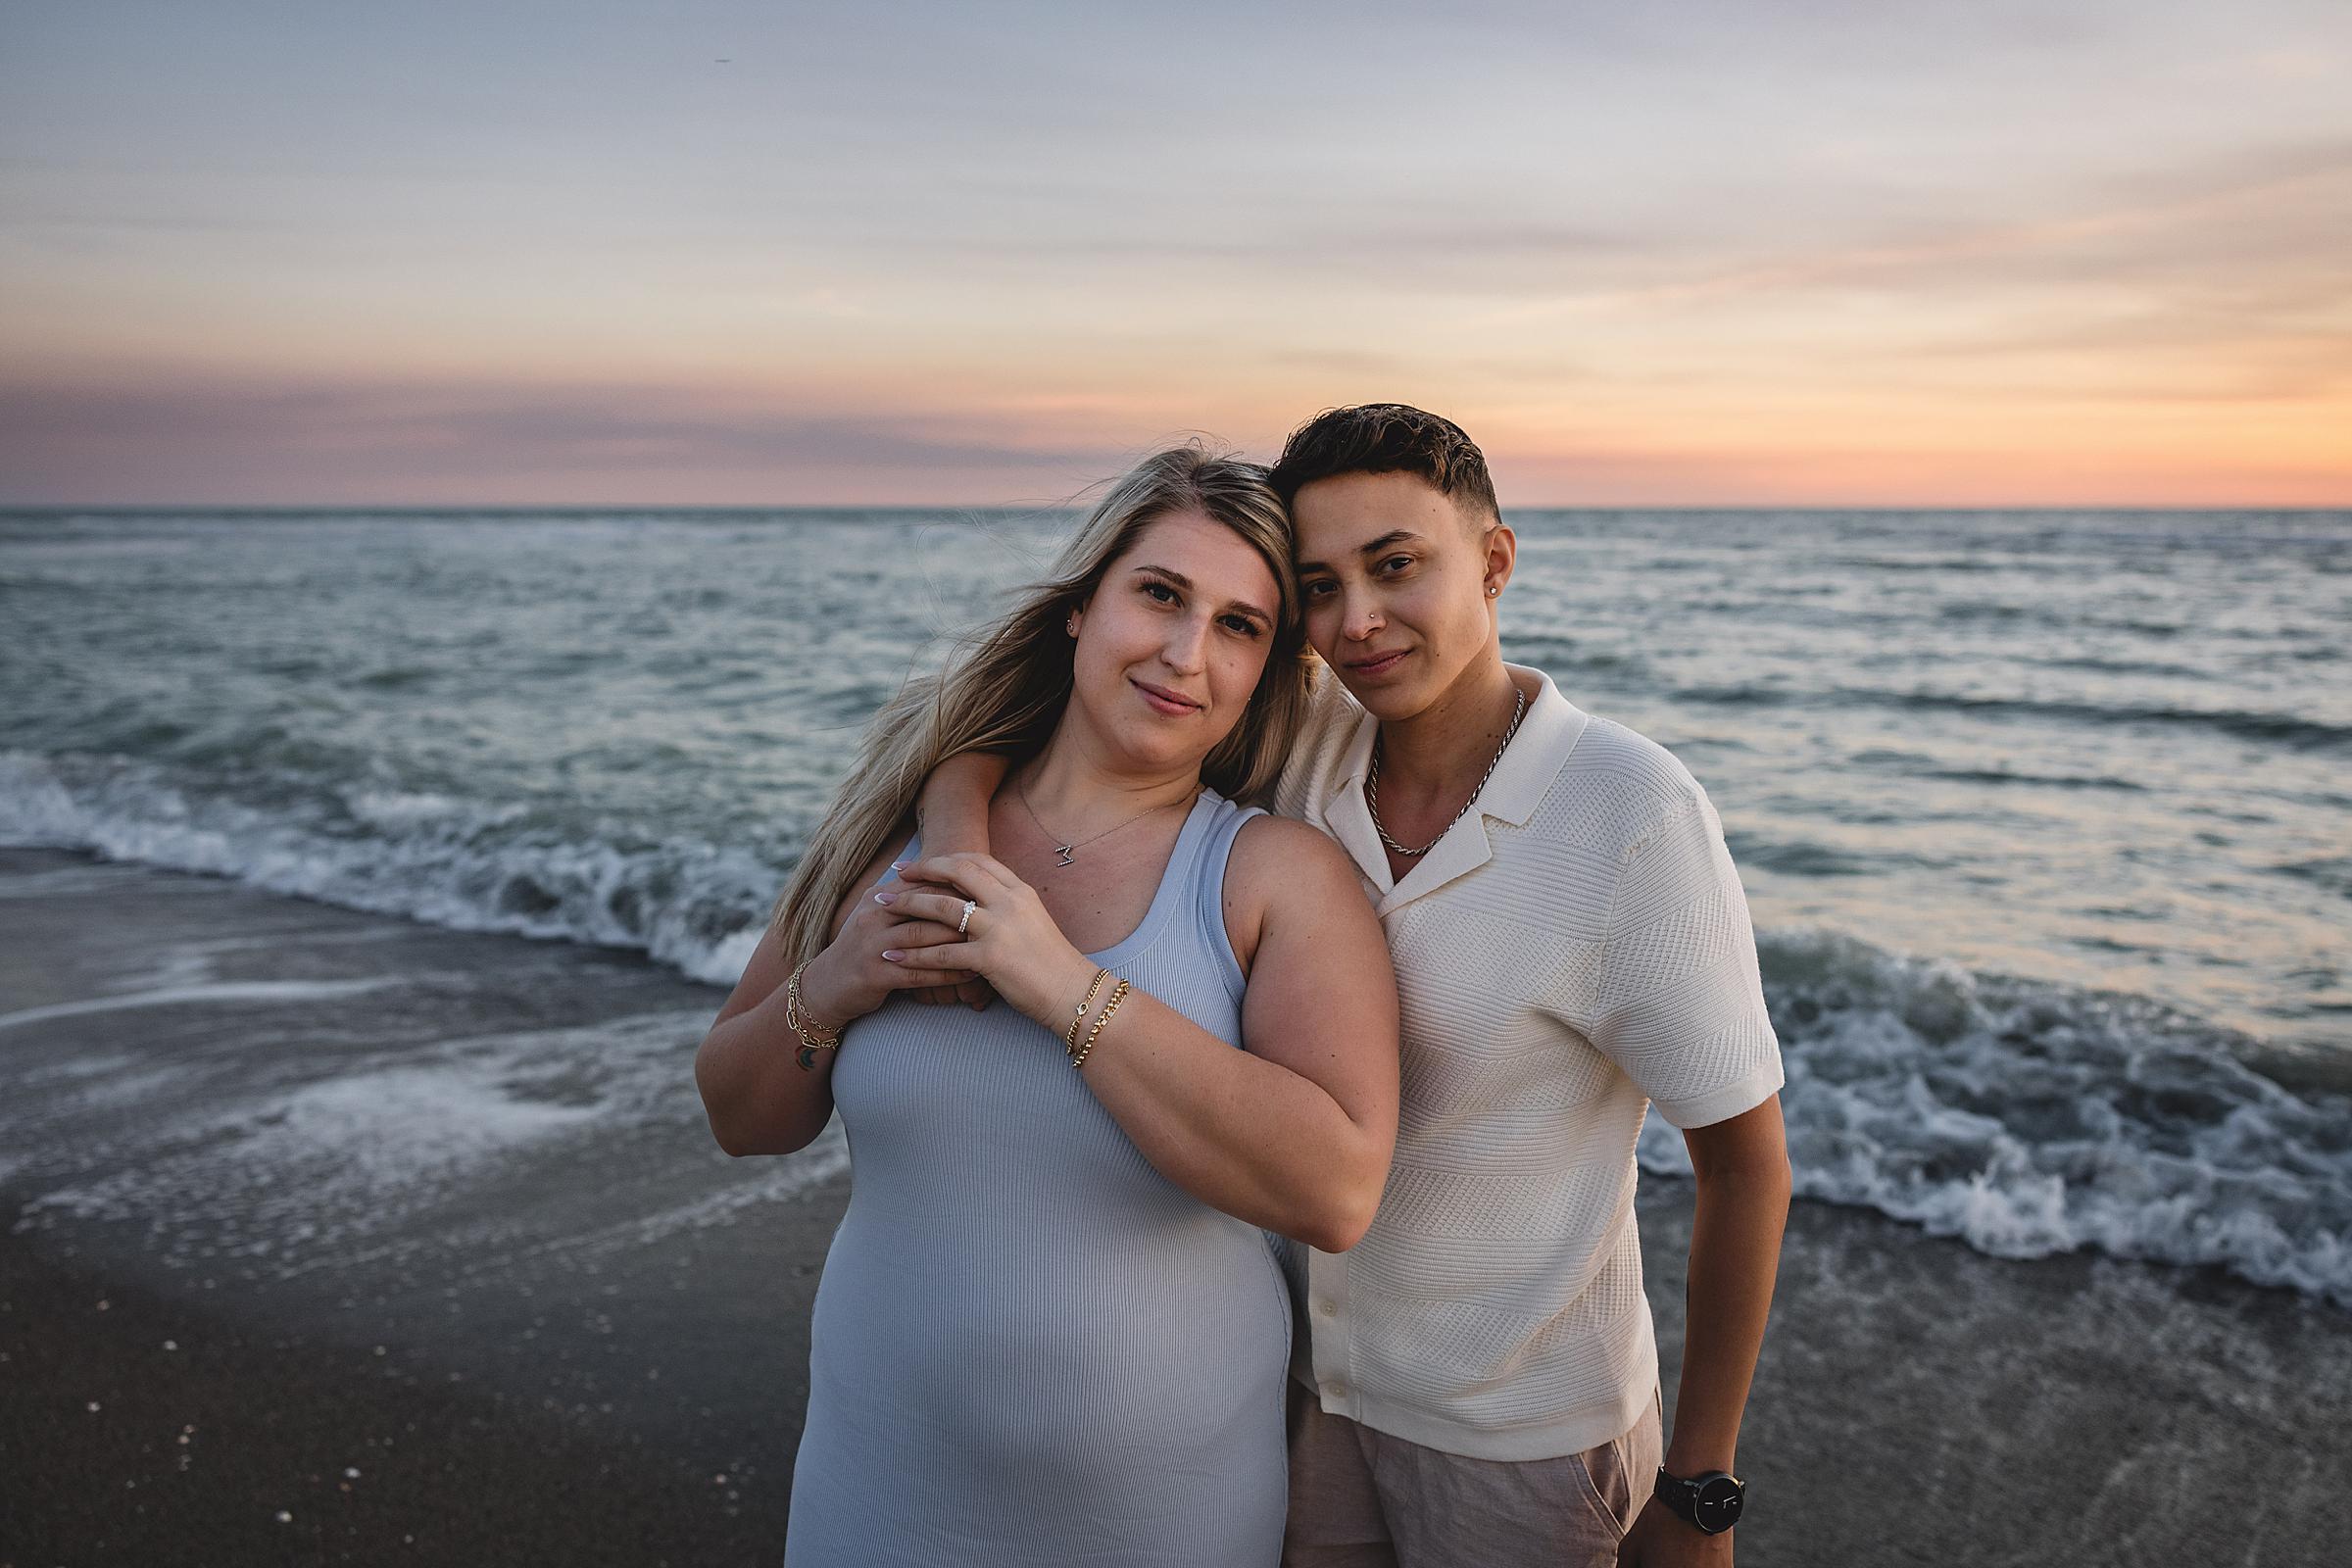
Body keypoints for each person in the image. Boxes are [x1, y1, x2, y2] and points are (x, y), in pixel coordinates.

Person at [919, 406, 1791, 1567]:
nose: (1359, 622)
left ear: (1493, 561)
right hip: (1301, 1399)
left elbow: (1745, 1162)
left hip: (1520, 1443)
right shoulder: (1308, 745)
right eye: (1321, 587)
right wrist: (956, 855)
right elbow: (1034, 733)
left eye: (1396, 567)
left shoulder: (1632, 814)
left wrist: (1700, 1490)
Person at [693, 444, 1401, 1568]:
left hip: (1162, 1527)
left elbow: (1338, 1187)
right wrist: (838, 980)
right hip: (875, 1505)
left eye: (1238, 625)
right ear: (1082, 608)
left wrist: (1059, 980)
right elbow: (740, 1115)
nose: (1184, 653)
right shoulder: (898, 837)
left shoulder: (1270, 875)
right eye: (1160, 594)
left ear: (1269, 672)